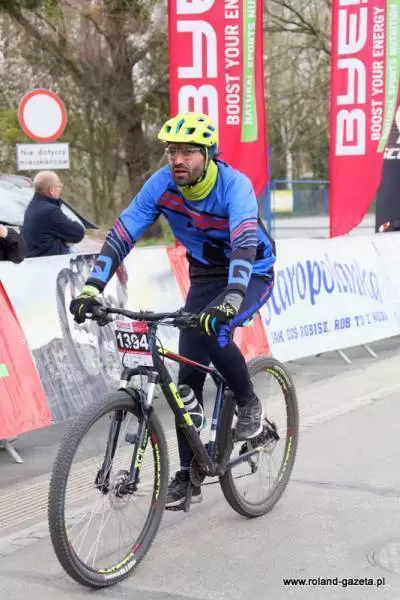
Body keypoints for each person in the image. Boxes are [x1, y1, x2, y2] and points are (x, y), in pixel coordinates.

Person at [69, 112, 276, 509]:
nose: (177, 160)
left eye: (188, 152)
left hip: (251, 273)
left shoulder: (234, 186)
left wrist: (233, 296)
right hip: (205, 276)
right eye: (172, 152)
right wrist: (92, 286)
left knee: (215, 330)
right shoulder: (162, 184)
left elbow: (244, 244)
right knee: (187, 377)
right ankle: (187, 473)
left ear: (208, 154)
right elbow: (124, 232)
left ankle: (248, 400)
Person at [22, 171, 85, 257]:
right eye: (59, 186)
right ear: (52, 190)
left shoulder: (32, 206)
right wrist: (64, 240)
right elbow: (78, 232)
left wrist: (61, 238)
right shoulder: (50, 211)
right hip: (49, 262)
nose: (60, 189)